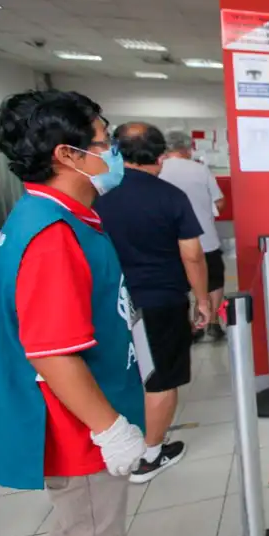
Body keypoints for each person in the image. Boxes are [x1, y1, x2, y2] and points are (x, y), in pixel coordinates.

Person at [0, 90, 147, 536]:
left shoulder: (56, 216)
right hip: (79, 431)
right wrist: (111, 430)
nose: (113, 154)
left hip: (85, 416)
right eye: (104, 143)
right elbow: (51, 352)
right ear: (67, 154)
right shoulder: (51, 235)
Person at [95, 122, 211, 483]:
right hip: (160, 300)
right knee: (160, 379)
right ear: (160, 157)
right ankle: (149, 455)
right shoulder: (170, 196)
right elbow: (192, 255)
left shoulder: (95, 195)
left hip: (108, 301)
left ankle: (114, 439)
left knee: (124, 373)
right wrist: (203, 300)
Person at [159, 130, 227, 342]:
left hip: (169, 242)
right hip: (204, 238)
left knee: (180, 284)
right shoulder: (200, 169)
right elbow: (219, 202)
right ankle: (213, 322)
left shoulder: (157, 170)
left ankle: (190, 326)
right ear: (188, 149)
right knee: (213, 280)